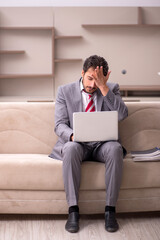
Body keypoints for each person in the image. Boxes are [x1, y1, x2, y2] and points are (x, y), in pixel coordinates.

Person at [49, 55, 128, 233]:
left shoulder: (111, 89)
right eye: (90, 78)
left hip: (103, 145)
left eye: (97, 80)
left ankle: (110, 211)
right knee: (69, 149)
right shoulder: (64, 91)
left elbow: (122, 115)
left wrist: (104, 87)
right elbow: (59, 124)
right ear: (82, 73)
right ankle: (73, 211)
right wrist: (73, 136)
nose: (92, 85)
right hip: (77, 144)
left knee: (115, 148)